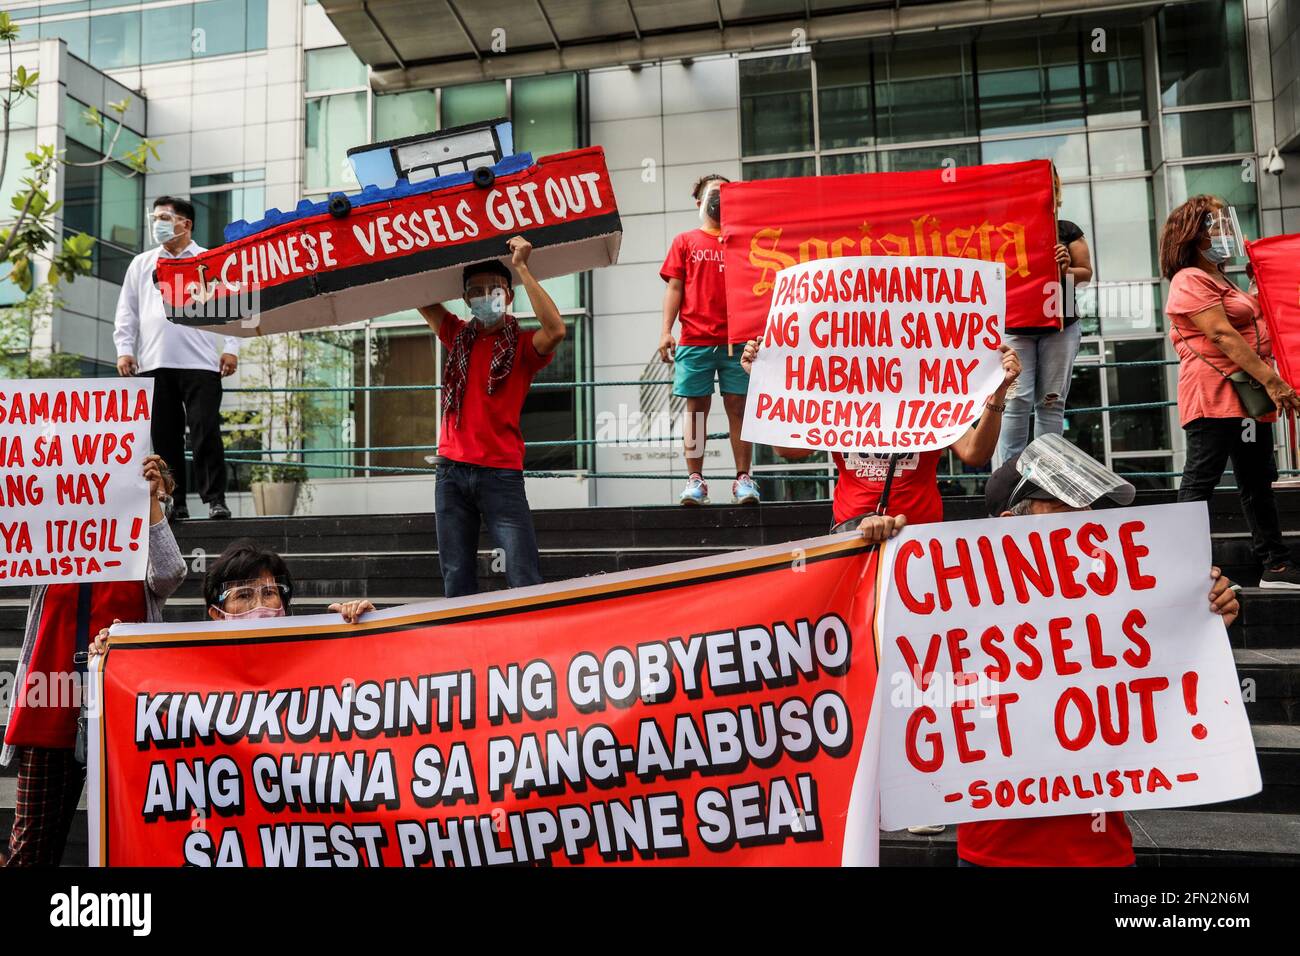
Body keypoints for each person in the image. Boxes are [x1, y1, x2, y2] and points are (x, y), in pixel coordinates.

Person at [881, 434, 1238, 867]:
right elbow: (883, 663)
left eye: (1090, 503)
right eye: (1067, 503)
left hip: (1101, 853)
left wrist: (1203, 617)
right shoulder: (952, 613)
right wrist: (875, 554)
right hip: (992, 856)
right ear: (1011, 521)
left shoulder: (1119, 603)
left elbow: (1166, 687)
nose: (1087, 517)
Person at [0, 455, 185, 866]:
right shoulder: (49, 530)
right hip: (48, 703)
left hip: (123, 707)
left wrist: (151, 504)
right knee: (30, 852)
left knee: (132, 846)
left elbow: (171, 573)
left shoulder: (142, 541)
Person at [740, 338, 1021, 534]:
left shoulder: (931, 395)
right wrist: (765, 381)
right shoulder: (838, 400)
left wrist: (999, 390)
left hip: (919, 536)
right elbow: (786, 450)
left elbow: (975, 453)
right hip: (853, 534)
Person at [1161, 195, 1300, 589]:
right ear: (1196, 237)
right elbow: (1221, 334)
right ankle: (1184, 571)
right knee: (1201, 481)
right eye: (1216, 226)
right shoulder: (1190, 279)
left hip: (1248, 399)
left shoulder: (1224, 279)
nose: (1225, 233)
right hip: (1213, 396)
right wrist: (1274, 381)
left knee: (1256, 481)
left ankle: (1276, 565)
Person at [417, 237, 565, 598]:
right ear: (467, 300)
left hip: (501, 474)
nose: (486, 296)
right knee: (456, 576)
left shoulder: (524, 347)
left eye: (495, 289)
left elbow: (556, 329)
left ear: (509, 295)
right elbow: (416, 291)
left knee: (523, 572)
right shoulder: (457, 335)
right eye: (477, 291)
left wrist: (522, 268)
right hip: (450, 472)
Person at [114, 196, 240, 521]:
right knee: (165, 439)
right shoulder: (142, 264)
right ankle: (174, 502)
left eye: (165, 217)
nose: (157, 223)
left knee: (206, 431)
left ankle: (216, 501)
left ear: (186, 224)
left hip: (201, 363)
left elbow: (233, 305)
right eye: (155, 217)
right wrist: (124, 349)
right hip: (154, 363)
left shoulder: (209, 260)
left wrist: (232, 347)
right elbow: (127, 311)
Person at [89, 539, 376, 657]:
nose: (261, 605)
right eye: (243, 595)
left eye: (269, 592)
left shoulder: (313, 656)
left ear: (284, 605)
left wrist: (369, 634)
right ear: (217, 613)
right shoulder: (188, 669)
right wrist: (114, 656)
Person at [658, 173, 759, 506]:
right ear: (699, 202)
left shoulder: (745, 240)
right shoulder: (684, 241)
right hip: (695, 339)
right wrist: (665, 331)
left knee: (739, 408)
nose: (719, 197)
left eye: (724, 192)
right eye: (713, 193)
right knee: (696, 412)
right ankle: (695, 481)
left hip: (738, 341)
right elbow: (674, 288)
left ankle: (744, 480)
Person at [994, 164, 1093, 468]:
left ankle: (1046, 477)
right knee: (1016, 402)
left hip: (1060, 322)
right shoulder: (1002, 230)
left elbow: (1085, 274)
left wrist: (1064, 271)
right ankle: (1010, 477)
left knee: (1051, 401)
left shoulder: (1066, 229)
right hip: (1016, 324)